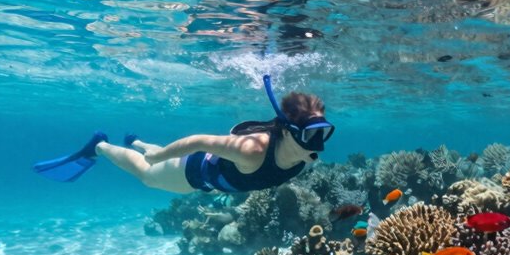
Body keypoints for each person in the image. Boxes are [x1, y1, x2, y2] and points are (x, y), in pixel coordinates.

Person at [32, 75, 333, 194]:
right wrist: (161, 155)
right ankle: (100, 147)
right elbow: (198, 141)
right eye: (310, 135)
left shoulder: (306, 157)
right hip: (194, 173)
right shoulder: (252, 150)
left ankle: (136, 141)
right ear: (288, 131)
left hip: (210, 171)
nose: (318, 145)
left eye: (323, 133)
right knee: (147, 172)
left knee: (153, 157)